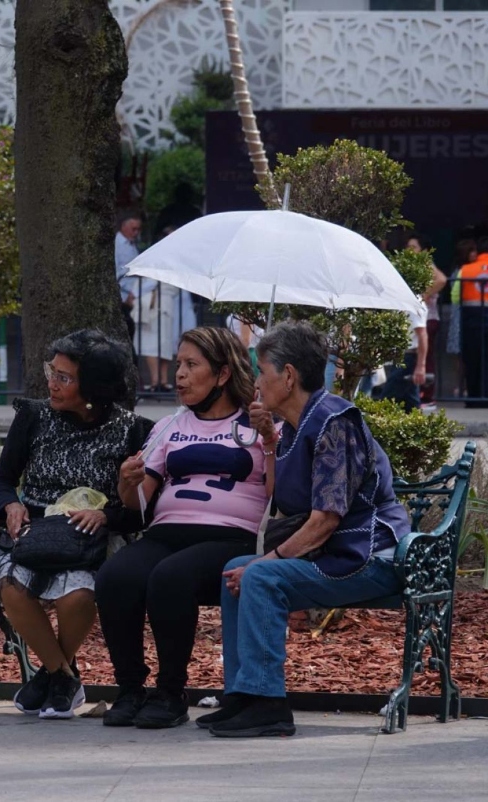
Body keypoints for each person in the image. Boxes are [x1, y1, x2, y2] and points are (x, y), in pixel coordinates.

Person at [204, 321, 409, 737]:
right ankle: (242, 695)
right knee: (236, 571)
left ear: (289, 375)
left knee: (257, 573)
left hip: (369, 557)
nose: (257, 382)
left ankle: (270, 706)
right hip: (333, 554)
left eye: (262, 371)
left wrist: (267, 562)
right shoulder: (296, 426)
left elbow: (325, 520)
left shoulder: (335, 423)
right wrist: (268, 441)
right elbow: (282, 500)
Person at [97, 326, 268, 729]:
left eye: (192, 366)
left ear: (223, 374)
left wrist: (271, 440)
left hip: (230, 537)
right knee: (115, 576)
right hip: (167, 532)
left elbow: (281, 496)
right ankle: (129, 689)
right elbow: (137, 505)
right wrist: (128, 481)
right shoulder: (170, 426)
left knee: (169, 577)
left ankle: (171, 692)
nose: (180, 376)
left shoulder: (257, 425)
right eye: (178, 365)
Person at [0, 330, 152, 720]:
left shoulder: (133, 430)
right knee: (12, 586)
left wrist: (106, 515)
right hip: (34, 530)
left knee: (77, 596)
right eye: (53, 372)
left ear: (93, 386)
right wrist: (10, 504)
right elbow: (2, 479)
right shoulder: (33, 416)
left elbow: (141, 509)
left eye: (65, 377)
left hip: (93, 536)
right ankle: (63, 676)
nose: (52, 383)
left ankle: (51, 677)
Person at [407, 234, 446, 404]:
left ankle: (427, 394)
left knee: (426, 356)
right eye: (408, 247)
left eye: (413, 247)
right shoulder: (412, 266)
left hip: (427, 317)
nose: (409, 251)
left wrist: (423, 296)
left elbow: (441, 279)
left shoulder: (426, 264)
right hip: (418, 318)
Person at [451, 236, 488, 407]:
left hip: (471, 321)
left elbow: (455, 297)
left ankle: (473, 398)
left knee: (472, 362)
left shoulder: (465, 270)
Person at [115, 212, 142, 341]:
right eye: (133, 229)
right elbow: (116, 273)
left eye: (138, 229)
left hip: (134, 293)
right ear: (123, 227)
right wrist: (126, 295)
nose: (136, 233)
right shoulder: (117, 245)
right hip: (124, 296)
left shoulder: (131, 244)